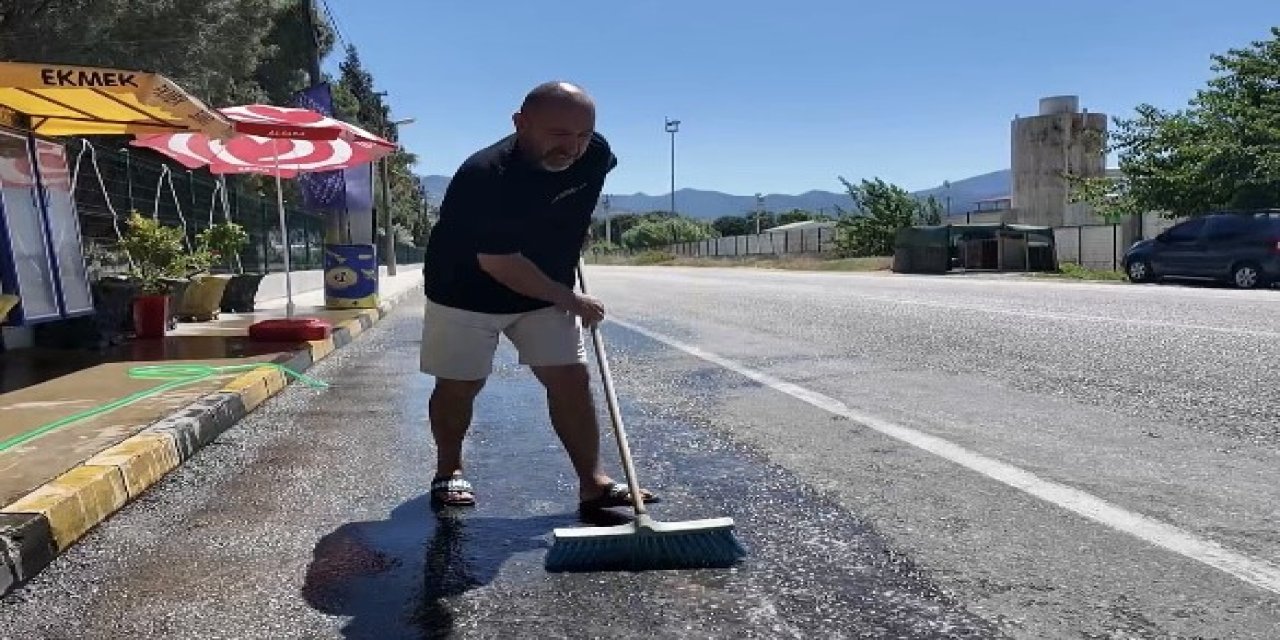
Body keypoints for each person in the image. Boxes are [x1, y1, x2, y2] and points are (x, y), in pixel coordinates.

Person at [419, 81, 658, 511]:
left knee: (571, 379)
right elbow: (500, 262)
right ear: (520, 124)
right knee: (461, 383)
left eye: (583, 134)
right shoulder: (485, 176)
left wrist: (572, 230)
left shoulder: (595, 155)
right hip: (464, 289)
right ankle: (449, 470)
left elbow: (576, 198)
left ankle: (593, 482)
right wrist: (571, 300)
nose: (573, 147)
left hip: (543, 285)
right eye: (559, 134)